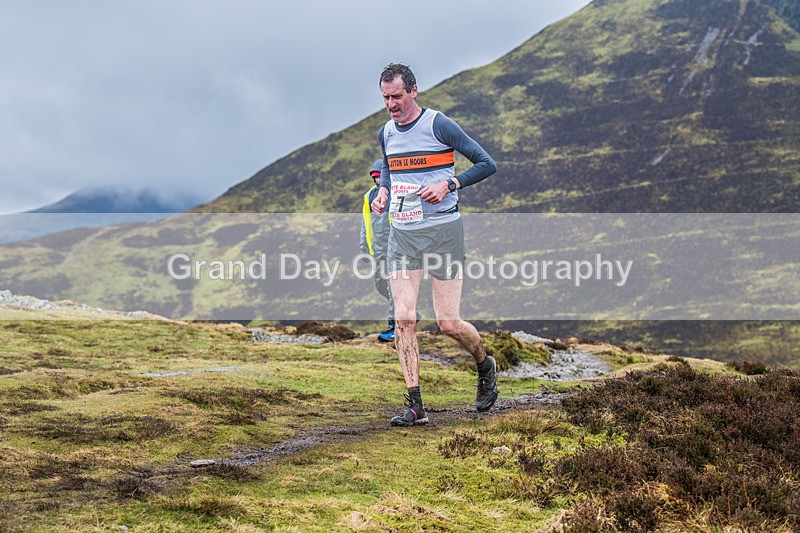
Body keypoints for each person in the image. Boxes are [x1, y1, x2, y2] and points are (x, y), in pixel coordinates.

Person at [371, 63, 498, 426]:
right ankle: (415, 405)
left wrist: (450, 184)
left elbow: (487, 163)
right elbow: (391, 170)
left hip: (444, 231)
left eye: (396, 96)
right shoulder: (386, 132)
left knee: (448, 322)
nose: (391, 105)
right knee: (404, 318)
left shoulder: (438, 124)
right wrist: (383, 192)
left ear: (413, 91)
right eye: (385, 98)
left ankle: (484, 363)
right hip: (404, 234)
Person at [360, 158, 395, 342]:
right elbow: (365, 225)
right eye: (376, 177)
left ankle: (394, 328)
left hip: (395, 251)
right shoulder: (369, 196)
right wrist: (364, 249)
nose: (378, 180)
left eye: (381, 176)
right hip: (378, 251)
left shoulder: (396, 194)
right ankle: (410, 314)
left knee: (392, 289)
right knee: (380, 286)